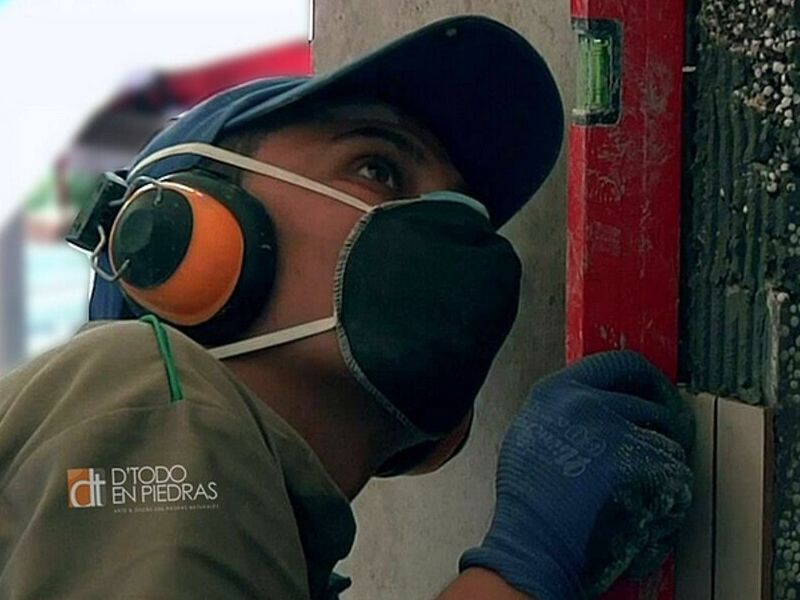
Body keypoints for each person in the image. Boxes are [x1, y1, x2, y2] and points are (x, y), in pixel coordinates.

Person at [0, 15, 693, 600]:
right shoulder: (146, 388)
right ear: (179, 237)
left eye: (467, 214)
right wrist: (519, 570)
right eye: (379, 169)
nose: (450, 234)